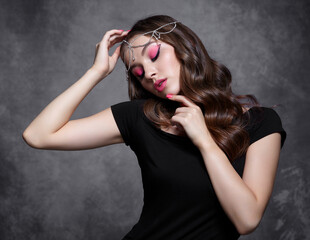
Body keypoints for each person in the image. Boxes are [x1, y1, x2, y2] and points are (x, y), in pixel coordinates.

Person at [23, 15, 287, 239]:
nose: (148, 73)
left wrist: (204, 141)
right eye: (137, 72)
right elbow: (38, 135)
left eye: (154, 55)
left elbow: (247, 219)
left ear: (184, 47)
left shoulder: (260, 122)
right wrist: (97, 72)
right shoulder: (140, 117)